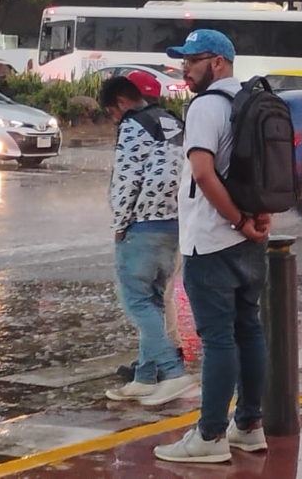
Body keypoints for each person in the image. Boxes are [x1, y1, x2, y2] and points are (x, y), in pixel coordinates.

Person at [153, 29, 273, 464]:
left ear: (218, 63)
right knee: (249, 330)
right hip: (249, 243)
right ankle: (249, 426)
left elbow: (203, 173)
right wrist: (254, 220)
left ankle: (209, 437)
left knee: (219, 339)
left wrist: (237, 220)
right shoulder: (248, 102)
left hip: (211, 240)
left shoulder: (207, 106)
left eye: (193, 59)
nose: (184, 67)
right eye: (183, 59)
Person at [99, 77, 196, 406]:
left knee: (137, 302)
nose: (113, 118)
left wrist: (119, 224)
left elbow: (127, 179)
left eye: (111, 111)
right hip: (174, 224)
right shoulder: (172, 121)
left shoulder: (133, 125)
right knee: (154, 300)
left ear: (121, 102)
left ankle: (172, 372)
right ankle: (144, 377)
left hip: (142, 225)